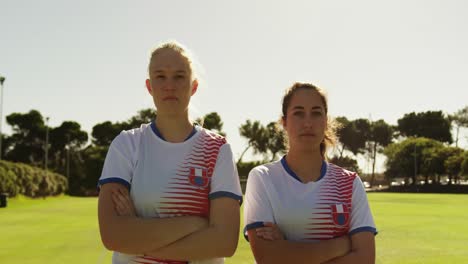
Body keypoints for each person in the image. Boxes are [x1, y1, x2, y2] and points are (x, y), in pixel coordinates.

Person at [97, 41, 242, 264]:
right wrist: (196, 224)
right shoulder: (127, 144)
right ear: (149, 86)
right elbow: (113, 235)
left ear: (194, 86)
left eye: (179, 76)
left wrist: (138, 236)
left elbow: (224, 241)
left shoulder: (218, 149)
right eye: (160, 76)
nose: (169, 85)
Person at [243, 82, 377, 263]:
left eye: (316, 113)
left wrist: (287, 248)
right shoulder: (263, 177)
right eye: (298, 113)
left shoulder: (350, 183)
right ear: (284, 122)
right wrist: (342, 245)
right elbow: (268, 257)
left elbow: (365, 259)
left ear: (326, 121)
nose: (307, 123)